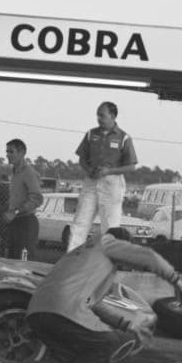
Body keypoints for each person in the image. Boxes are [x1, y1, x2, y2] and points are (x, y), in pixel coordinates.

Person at [1, 228, 182, 363]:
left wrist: (129, 326)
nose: (128, 263)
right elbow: (148, 256)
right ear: (123, 246)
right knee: (107, 343)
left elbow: (95, 305)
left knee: (66, 353)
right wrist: (176, 281)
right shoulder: (107, 243)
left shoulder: (81, 254)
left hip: (37, 311)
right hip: (65, 309)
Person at [67, 102, 138, 252]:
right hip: (91, 181)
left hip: (112, 183)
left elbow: (131, 166)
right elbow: (81, 159)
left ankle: (108, 263)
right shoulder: (91, 134)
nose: (98, 118)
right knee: (80, 222)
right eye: (97, 115)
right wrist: (88, 170)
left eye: (102, 115)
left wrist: (109, 171)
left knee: (111, 226)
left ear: (112, 116)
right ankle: (71, 259)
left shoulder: (124, 137)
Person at [2, 139, 44, 261]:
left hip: (26, 224)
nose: (8, 155)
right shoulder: (14, 172)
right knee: (11, 261)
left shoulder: (28, 172)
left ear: (22, 153)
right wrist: (6, 208)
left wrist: (14, 212)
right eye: (7, 151)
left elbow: (37, 198)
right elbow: (18, 197)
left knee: (23, 264)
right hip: (14, 223)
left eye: (11, 151)